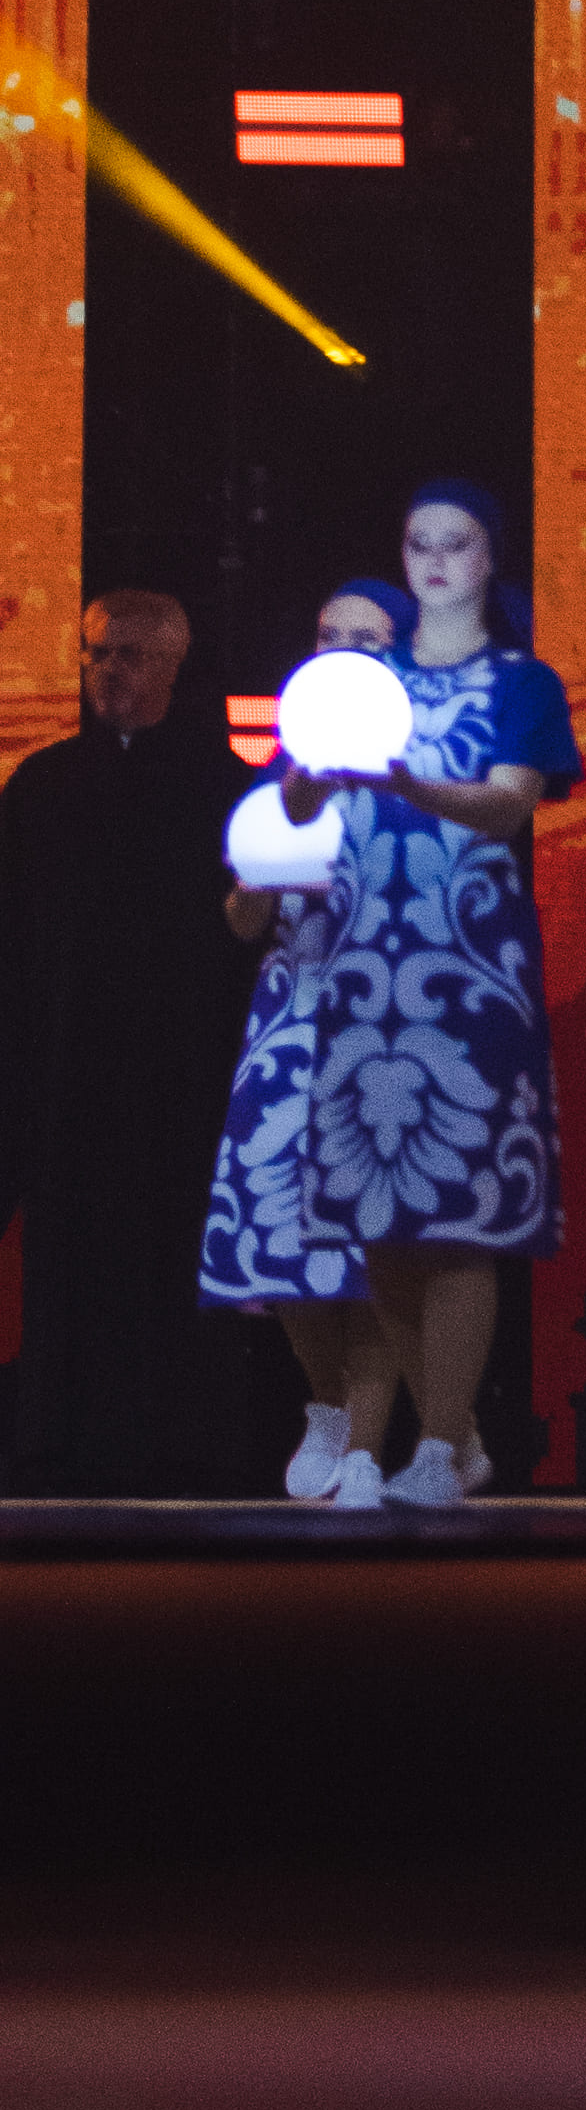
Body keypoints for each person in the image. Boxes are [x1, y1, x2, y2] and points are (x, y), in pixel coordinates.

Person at [280, 483, 581, 1510]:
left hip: (470, 970)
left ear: (490, 559)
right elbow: (298, 800)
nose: (438, 560)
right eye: (421, 544)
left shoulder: (522, 682)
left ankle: (443, 1445)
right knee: (383, 1218)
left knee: (460, 1214)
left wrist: (404, 782)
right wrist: (313, 763)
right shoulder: (363, 678)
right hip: (365, 968)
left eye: (459, 543)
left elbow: (506, 806)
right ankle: (455, 1438)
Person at [0, 591, 261, 1493]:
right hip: (63, 1055)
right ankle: (58, 1437)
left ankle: (188, 1441)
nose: (111, 671)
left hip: (187, 1063)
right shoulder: (39, 786)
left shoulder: (225, 787)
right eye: (99, 653)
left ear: (174, 668)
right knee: (69, 1244)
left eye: (132, 655)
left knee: (177, 1238)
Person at [200, 581, 412, 1499]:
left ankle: (367, 1444)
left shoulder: (425, 779)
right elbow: (243, 921)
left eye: (368, 639)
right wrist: (262, 877)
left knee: (375, 1247)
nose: (345, 651)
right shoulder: (280, 779)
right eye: (330, 636)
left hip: (389, 1021)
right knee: (277, 1223)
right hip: (289, 1020)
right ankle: (328, 1404)